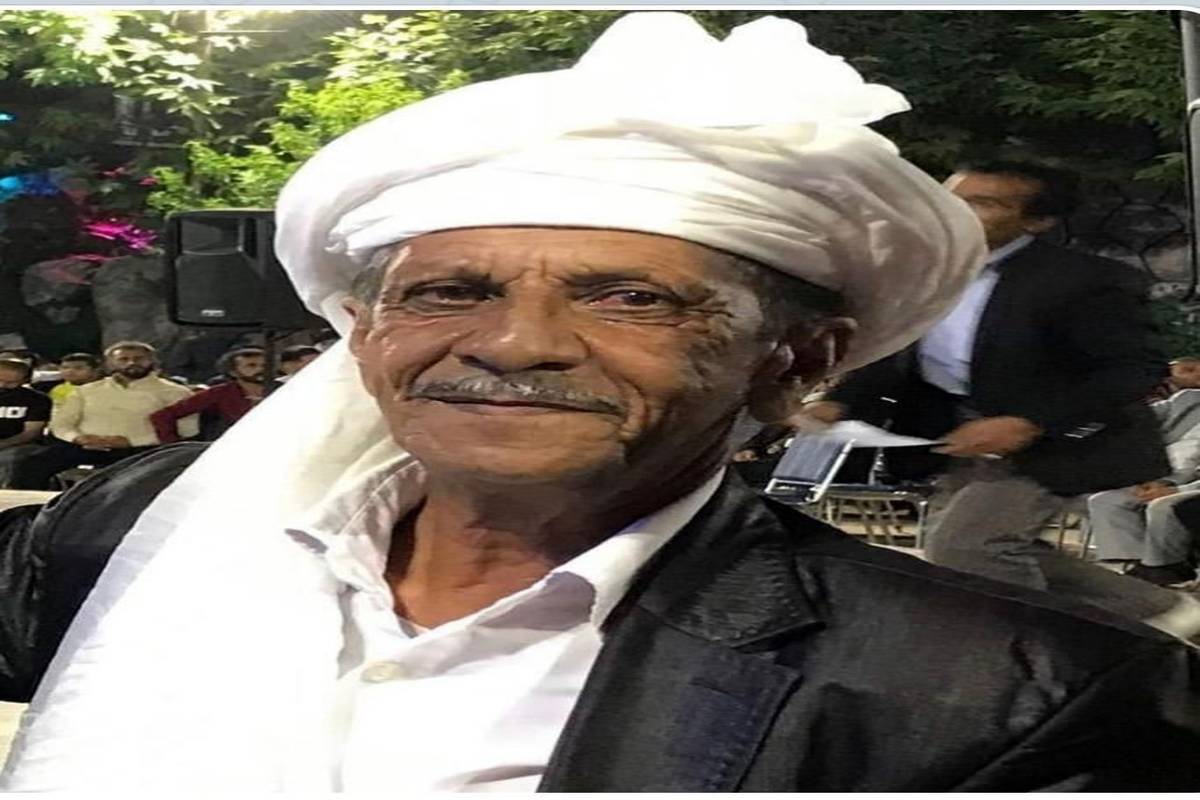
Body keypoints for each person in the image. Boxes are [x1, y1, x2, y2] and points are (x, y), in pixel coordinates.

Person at [0, 15, 1197, 792]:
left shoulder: (1003, 693)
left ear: (795, 358)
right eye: (450, 291)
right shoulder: (132, 535)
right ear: (363, 335)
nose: (516, 342)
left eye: (628, 297)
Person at [798, 160, 1183, 620]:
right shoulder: (925, 272)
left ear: (1037, 221)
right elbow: (900, 351)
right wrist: (839, 403)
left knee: (971, 547)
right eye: (949, 197)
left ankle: (1039, 648)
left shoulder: (1081, 280)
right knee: (963, 552)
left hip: (1061, 440)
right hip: (958, 433)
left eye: (983, 203)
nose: (955, 211)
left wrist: (1030, 423)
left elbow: (1136, 368)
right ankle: (1158, 610)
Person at [7, 341, 196, 490]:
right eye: (123, 359)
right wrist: (78, 437)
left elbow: (187, 430)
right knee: (30, 466)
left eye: (139, 359)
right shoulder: (85, 391)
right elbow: (61, 424)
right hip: (84, 446)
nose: (131, 363)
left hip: (142, 450)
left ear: (153, 362)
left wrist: (130, 441)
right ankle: (26, 516)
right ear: (109, 363)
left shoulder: (176, 393)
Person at [1087, 388, 1200, 586]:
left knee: (1163, 506)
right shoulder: (1189, 398)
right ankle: (1140, 564)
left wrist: (1176, 489)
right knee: (1105, 501)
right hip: (1162, 469)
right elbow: (1139, 415)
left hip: (1192, 480)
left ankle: (1166, 567)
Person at [150, 347, 267, 443]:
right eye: (251, 365)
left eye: (265, 365)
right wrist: (174, 445)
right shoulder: (219, 393)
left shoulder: (277, 390)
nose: (261, 369)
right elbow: (162, 416)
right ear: (233, 371)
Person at [0, 359, 51, 488]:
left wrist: (3, 444)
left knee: (8, 458)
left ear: (25, 380)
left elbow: (31, 432)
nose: (2, 385)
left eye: (10, 383)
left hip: (20, 444)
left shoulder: (37, 399)